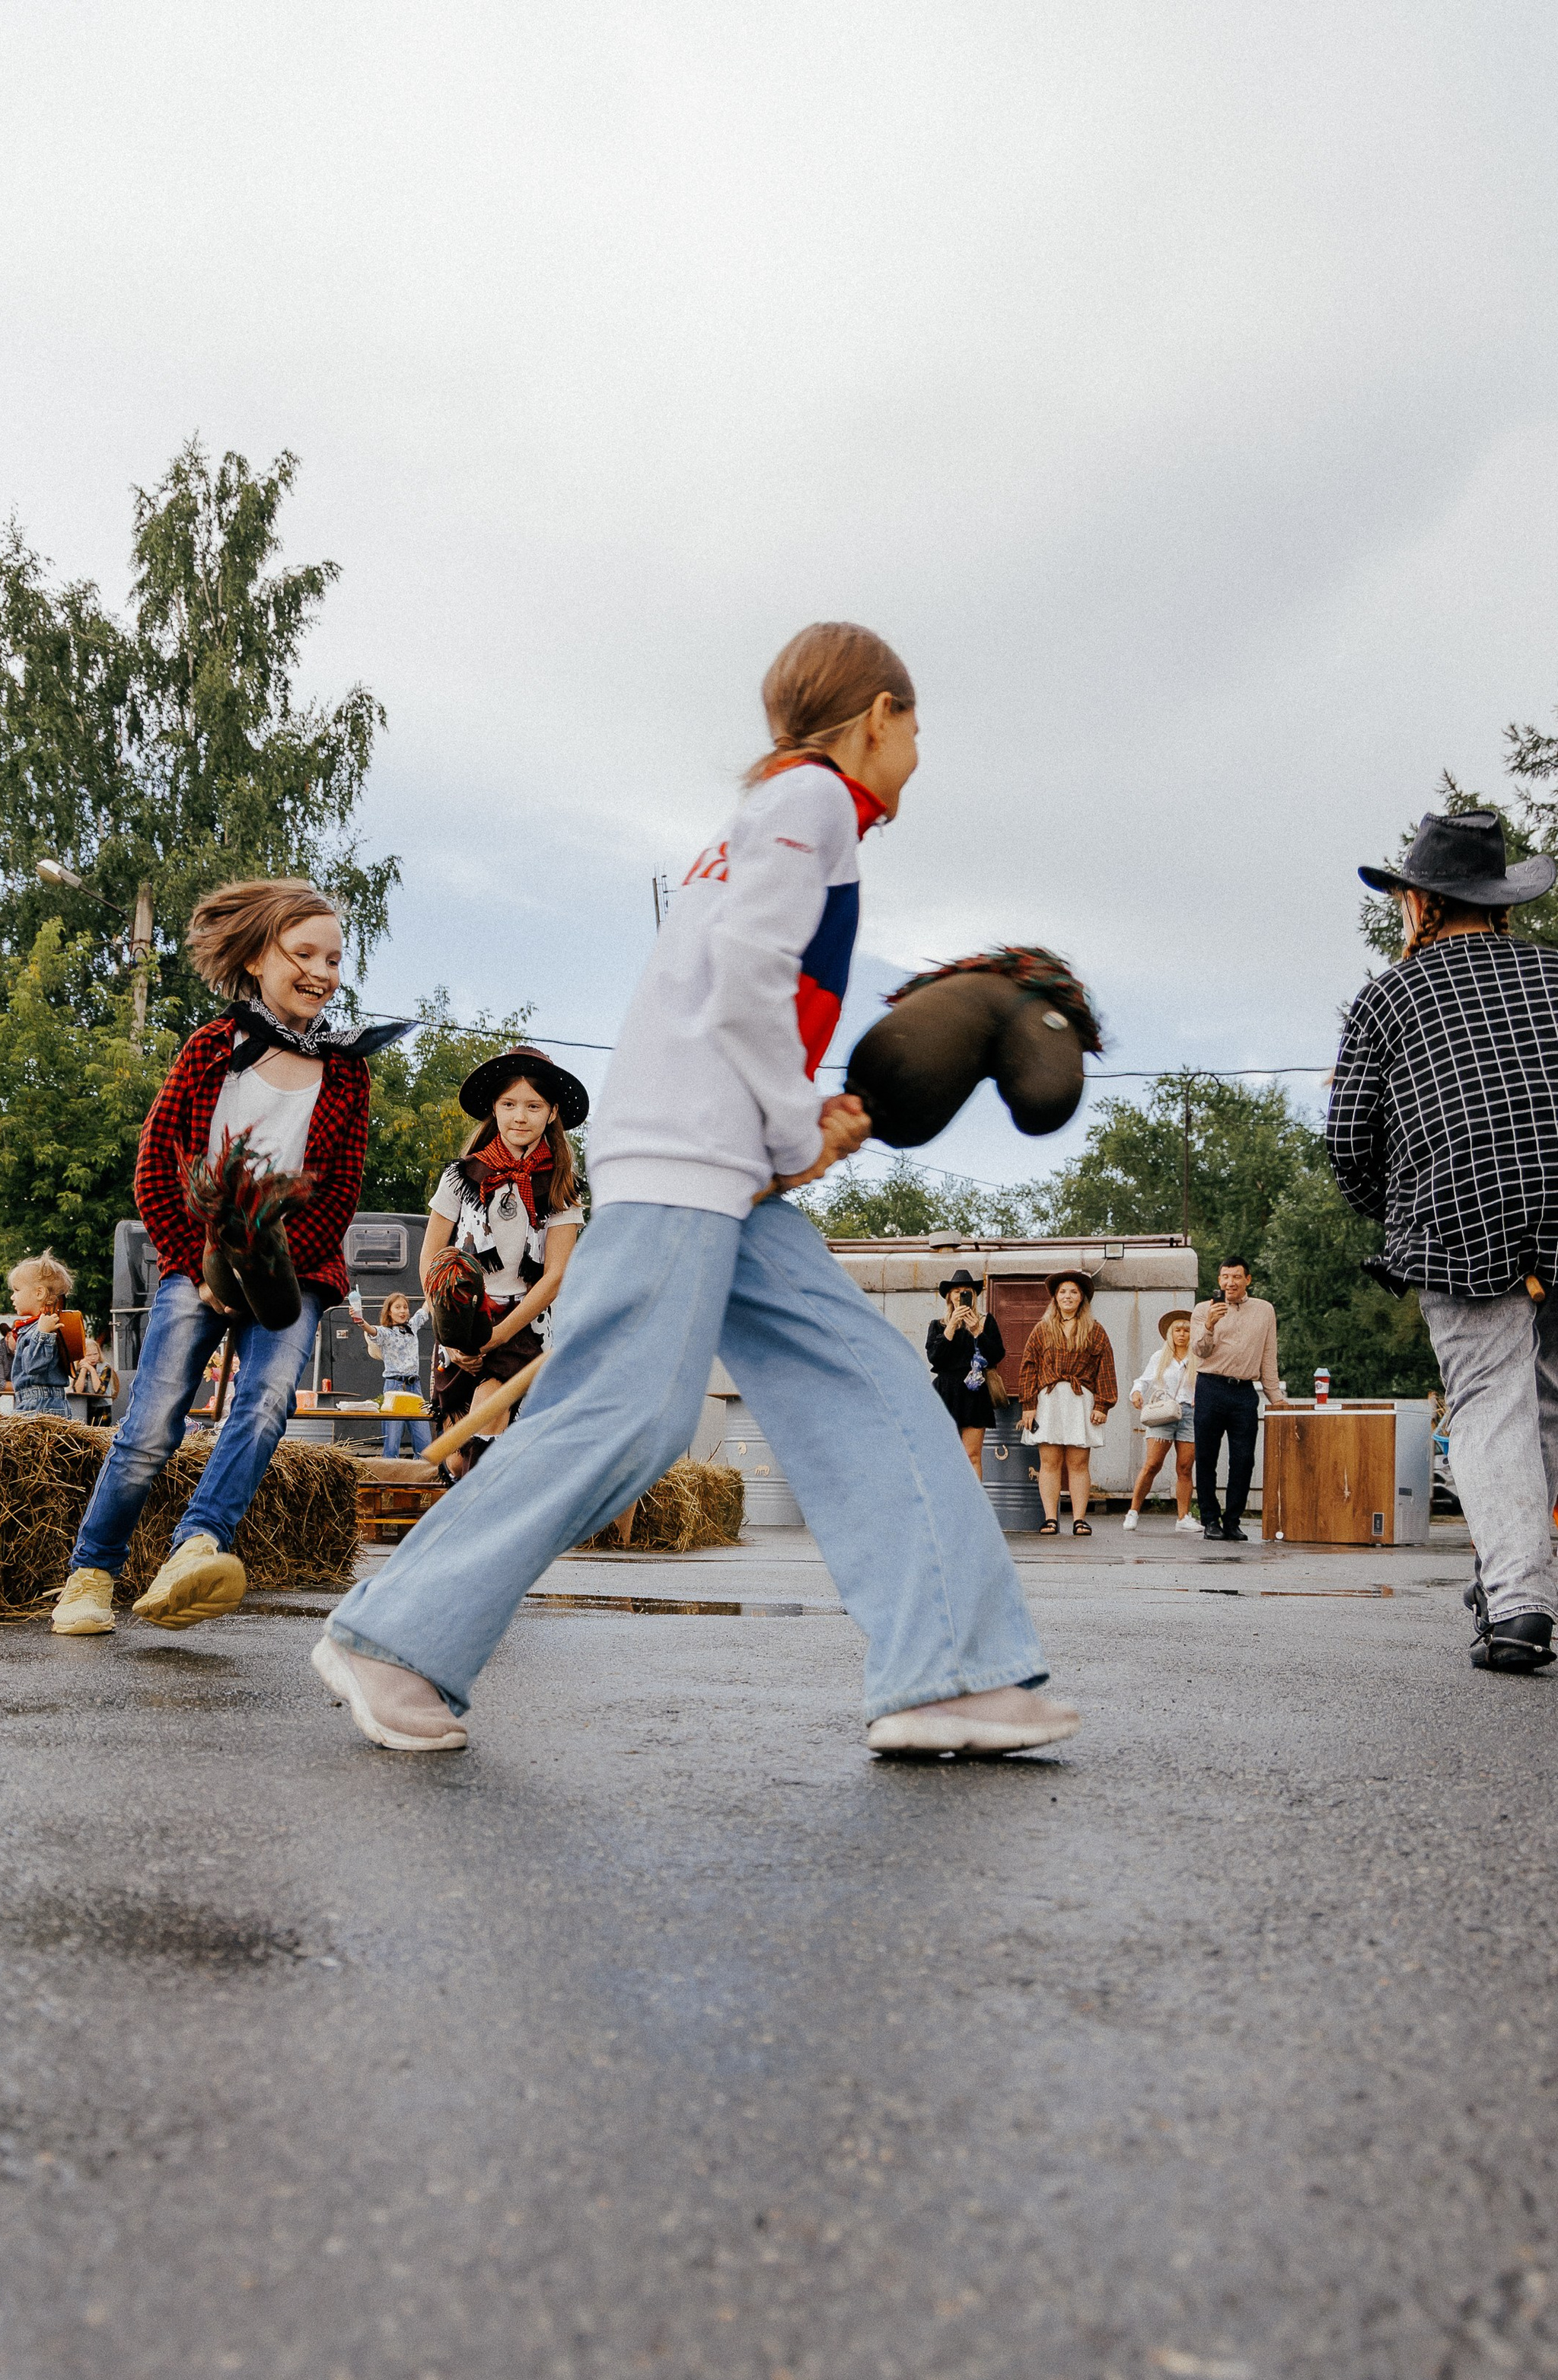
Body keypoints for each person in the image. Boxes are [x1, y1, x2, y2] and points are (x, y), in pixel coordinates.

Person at [309, 619, 1077, 1760]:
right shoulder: (809, 799)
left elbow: (739, 980)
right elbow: (741, 976)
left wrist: (780, 1138)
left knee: (869, 1385)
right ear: (876, 715)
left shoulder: (783, 810)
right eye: (916, 727)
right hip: (689, 1163)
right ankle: (397, 1640)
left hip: (721, 1175)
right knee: (628, 1415)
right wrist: (785, 1125)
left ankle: (948, 1674)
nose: (919, 752)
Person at [52, 878, 411, 1635]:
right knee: (151, 1424)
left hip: (294, 1269)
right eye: (303, 953)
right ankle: (90, 1575)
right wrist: (197, 1263)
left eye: (334, 958)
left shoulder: (348, 1070)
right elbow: (157, 1165)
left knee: (267, 1402)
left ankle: (197, 1547)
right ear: (255, 957)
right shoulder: (213, 1049)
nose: (321, 970)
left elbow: (339, 1188)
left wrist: (272, 1270)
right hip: (198, 1260)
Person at [1330, 805, 1558, 1670]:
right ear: (1497, 902)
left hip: (1461, 1216)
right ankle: (1511, 1568)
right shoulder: (1553, 974)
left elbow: (1349, 1139)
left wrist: (1395, 1211)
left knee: (1491, 1406)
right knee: (1544, 1406)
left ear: (1421, 904)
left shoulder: (1388, 996)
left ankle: (1518, 1607)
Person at [422, 1047, 588, 1477]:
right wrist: (456, 1335)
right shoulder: (459, 1177)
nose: (520, 1116)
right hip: (462, 1318)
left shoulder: (561, 1187)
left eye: (534, 1106)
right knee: (457, 1460)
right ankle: (481, 1494)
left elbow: (555, 1277)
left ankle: (482, 1528)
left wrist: (495, 1338)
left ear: (552, 1113)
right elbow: (431, 1261)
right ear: (493, 1110)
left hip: (523, 1324)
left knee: (490, 1407)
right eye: (509, 1104)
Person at [1189, 1258, 1286, 1541]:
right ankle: (1209, 1519)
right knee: (1206, 1456)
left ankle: (1233, 1519)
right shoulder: (1202, 1309)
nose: (1230, 1283)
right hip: (1210, 1385)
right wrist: (1209, 1324)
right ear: (1219, 1280)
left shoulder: (1264, 1310)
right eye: (1225, 1277)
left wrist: (1275, 1398)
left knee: (1244, 1459)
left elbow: (1269, 1355)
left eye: (1236, 1277)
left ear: (1248, 1280)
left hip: (1244, 1390)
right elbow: (1200, 1351)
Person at [1018, 1273, 1117, 1535]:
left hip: (1080, 1400)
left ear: (1082, 1297)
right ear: (1055, 1297)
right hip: (1049, 1400)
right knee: (1049, 1463)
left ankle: (1079, 1519)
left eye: (1073, 1292)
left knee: (1078, 1462)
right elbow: (1029, 1367)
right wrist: (1028, 1405)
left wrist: (1102, 1405)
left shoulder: (1095, 1330)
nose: (1068, 1297)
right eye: (1063, 1292)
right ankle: (1051, 1518)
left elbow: (1105, 1369)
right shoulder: (1043, 1328)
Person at [923, 1269, 1005, 1477]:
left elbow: (996, 1356)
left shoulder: (986, 1321)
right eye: (956, 1291)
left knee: (972, 1455)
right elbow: (935, 1358)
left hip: (974, 1392)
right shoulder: (937, 1325)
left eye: (966, 1291)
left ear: (973, 1296)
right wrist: (951, 1327)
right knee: (945, 1454)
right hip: (946, 1391)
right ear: (949, 1296)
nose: (960, 1295)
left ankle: (973, 1508)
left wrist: (977, 1330)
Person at [1122, 1306, 1197, 1530]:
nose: (1182, 1334)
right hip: (1163, 1413)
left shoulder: (1199, 1358)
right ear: (1170, 1334)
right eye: (1177, 1330)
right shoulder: (1160, 1356)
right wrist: (1136, 1393)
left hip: (1190, 1414)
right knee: (1152, 1464)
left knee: (1185, 1468)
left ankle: (1183, 1517)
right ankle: (1133, 1511)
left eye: (1187, 1330)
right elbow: (1143, 1380)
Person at [355, 1292, 433, 1458]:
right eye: (397, 1307)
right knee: (392, 1441)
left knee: (424, 1440)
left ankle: (423, 1475)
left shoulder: (412, 1327)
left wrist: (433, 1289)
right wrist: (361, 1322)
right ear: (389, 1311)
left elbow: (425, 1309)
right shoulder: (385, 1332)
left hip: (414, 1387)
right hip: (394, 1386)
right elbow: (373, 1331)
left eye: (405, 1307)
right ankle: (390, 1476)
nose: (403, 1311)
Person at [6, 1254, 81, 1416]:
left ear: (39, 1293)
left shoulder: (43, 1328)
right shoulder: (36, 1327)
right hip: (39, 1402)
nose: (12, 1296)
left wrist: (43, 1333)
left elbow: (33, 1366)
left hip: (40, 1405)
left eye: (17, 1290)